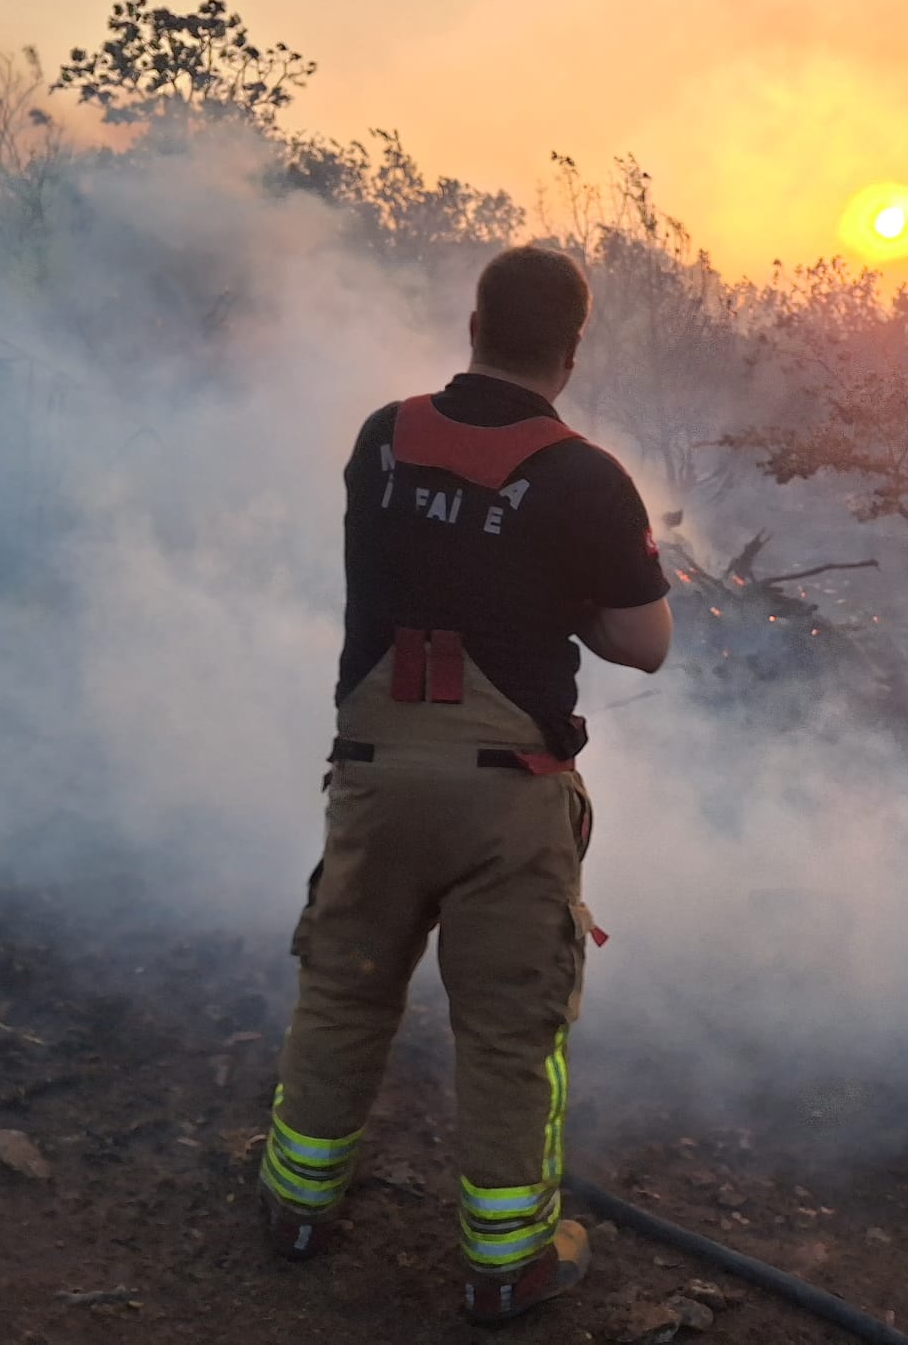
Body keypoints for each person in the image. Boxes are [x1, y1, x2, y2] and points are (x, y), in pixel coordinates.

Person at [258, 245, 673, 1323]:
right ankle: (508, 1265)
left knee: (346, 986)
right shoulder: (586, 477)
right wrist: (565, 588)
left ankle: (297, 1206)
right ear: (572, 352)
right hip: (507, 795)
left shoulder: (384, 438)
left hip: (376, 770)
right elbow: (645, 643)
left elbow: (418, 560)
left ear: (474, 319)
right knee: (505, 1029)